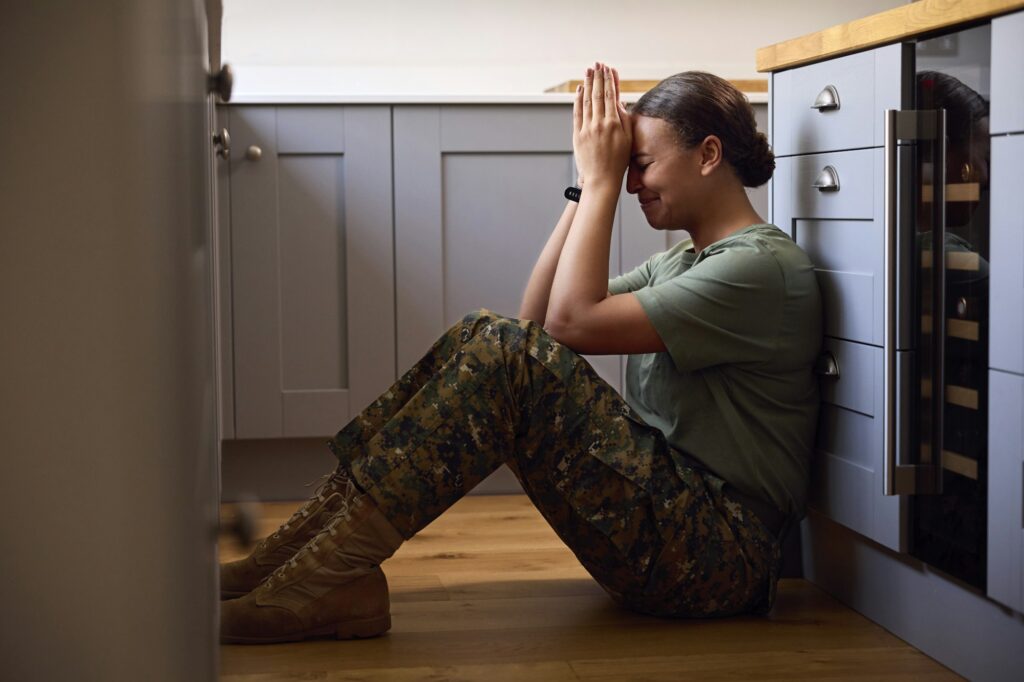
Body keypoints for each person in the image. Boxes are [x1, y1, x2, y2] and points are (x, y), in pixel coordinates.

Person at [219, 62, 823, 644]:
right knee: (483, 333)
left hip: (720, 554)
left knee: (506, 351)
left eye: (641, 165)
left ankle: (321, 581)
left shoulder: (757, 268)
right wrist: (585, 187)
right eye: (626, 168)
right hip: (675, 529)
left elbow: (567, 322)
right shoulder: (685, 261)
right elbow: (536, 324)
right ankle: (298, 564)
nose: (634, 182)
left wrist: (603, 185)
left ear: (708, 155)